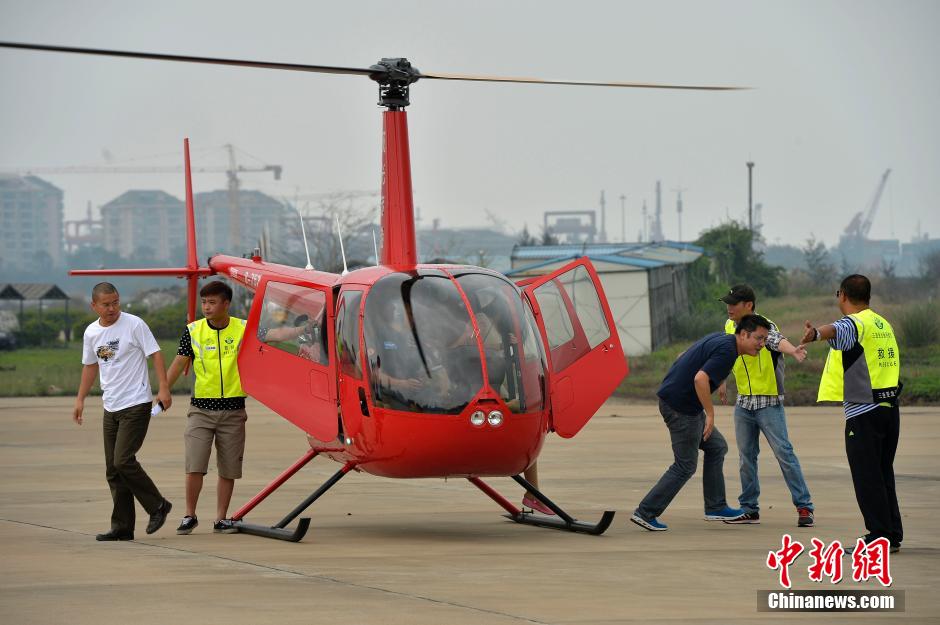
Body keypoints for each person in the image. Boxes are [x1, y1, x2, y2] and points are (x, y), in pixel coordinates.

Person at [631, 314, 771, 531]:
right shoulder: (727, 351)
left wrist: (718, 379)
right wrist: (711, 414)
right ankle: (646, 512)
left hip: (680, 403)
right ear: (743, 334)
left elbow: (683, 355)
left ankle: (715, 507)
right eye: (759, 339)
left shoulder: (723, 340)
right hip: (682, 409)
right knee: (685, 465)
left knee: (717, 447)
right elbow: (700, 379)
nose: (762, 344)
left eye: (764, 340)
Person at [801, 274, 902, 552]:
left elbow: (837, 329)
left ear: (842, 295)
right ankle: (891, 533)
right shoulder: (882, 323)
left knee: (867, 475)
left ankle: (879, 535)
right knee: (883, 473)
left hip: (864, 412)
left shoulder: (854, 323)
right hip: (889, 408)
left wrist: (815, 334)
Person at [73, 282, 173, 541]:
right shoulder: (92, 332)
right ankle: (122, 527)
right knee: (113, 469)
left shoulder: (134, 324)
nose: (112, 308)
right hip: (111, 405)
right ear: (94, 305)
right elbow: (90, 367)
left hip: (136, 403)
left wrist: (163, 388)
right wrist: (80, 399)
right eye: (106, 304)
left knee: (123, 460)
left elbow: (156, 354)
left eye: (115, 302)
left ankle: (158, 505)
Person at [715, 284, 815, 528]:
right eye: (727, 303)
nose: (729, 308)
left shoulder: (764, 326)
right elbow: (728, 352)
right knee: (746, 457)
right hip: (744, 402)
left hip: (768, 402)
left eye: (734, 303)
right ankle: (749, 509)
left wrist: (793, 351)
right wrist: (721, 379)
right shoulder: (730, 326)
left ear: (748, 305)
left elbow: (777, 341)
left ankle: (804, 507)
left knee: (784, 453)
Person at [165, 281, 247, 535]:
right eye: (204, 302)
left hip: (233, 410)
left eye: (212, 302)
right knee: (195, 465)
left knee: (229, 468)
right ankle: (190, 515)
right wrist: (163, 390)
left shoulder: (244, 328)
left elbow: (272, 336)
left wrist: (301, 329)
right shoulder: (193, 331)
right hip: (201, 410)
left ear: (226, 304)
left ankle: (221, 519)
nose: (206, 307)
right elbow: (179, 363)